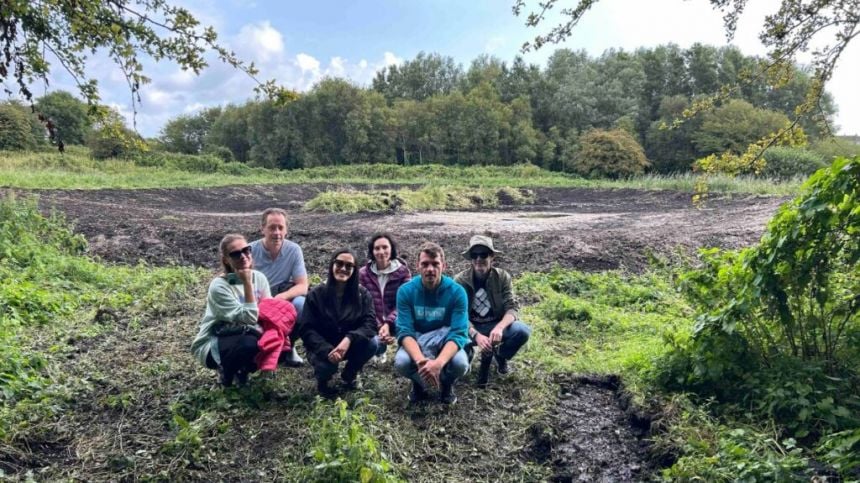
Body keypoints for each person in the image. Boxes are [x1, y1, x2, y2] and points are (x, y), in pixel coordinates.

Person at [394, 242, 470, 404]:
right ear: (417, 266)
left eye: (435, 264)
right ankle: (419, 384)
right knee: (401, 362)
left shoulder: (457, 292)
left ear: (443, 265)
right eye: (425, 264)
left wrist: (438, 363)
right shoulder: (406, 291)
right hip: (418, 340)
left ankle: (446, 384)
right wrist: (422, 362)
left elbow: (458, 332)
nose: (430, 269)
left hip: (445, 339)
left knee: (461, 364)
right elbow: (404, 331)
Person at [191, 233, 271, 387]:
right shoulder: (219, 286)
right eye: (235, 254)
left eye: (246, 250)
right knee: (249, 344)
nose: (243, 256)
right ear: (226, 260)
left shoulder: (259, 278)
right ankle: (227, 372)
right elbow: (250, 318)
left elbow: (268, 313)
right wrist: (247, 284)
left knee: (275, 342)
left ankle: (242, 370)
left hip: (248, 333)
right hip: (215, 341)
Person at [298, 249, 379, 397]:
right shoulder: (315, 294)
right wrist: (326, 349)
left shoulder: (363, 295)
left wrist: (349, 339)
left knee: (373, 343)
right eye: (339, 263)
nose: (343, 268)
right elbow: (306, 328)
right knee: (326, 367)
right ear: (332, 265)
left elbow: (370, 324)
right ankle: (323, 382)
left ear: (354, 270)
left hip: (349, 344)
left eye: (349, 266)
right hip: (322, 346)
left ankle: (350, 374)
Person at [454, 235, 531, 387]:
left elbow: (512, 307)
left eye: (483, 254)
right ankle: (467, 358)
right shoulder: (460, 281)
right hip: (470, 326)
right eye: (474, 255)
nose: (478, 259)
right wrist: (475, 335)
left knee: (522, 331)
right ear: (470, 258)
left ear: (492, 257)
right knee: (454, 346)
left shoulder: (502, 277)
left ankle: (500, 356)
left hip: (495, 323)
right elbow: (458, 314)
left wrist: (499, 328)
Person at [250, 207, 307, 366]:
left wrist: (281, 297)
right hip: (256, 298)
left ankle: (289, 346)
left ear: (286, 229)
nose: (277, 232)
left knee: (302, 305)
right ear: (262, 229)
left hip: (279, 297)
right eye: (272, 227)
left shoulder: (294, 250)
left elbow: (302, 286)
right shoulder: (250, 250)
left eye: (280, 227)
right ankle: (258, 353)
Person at [358, 233, 412, 363]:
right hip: (372, 316)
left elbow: (403, 303)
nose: (381, 251)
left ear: (391, 249)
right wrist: (379, 324)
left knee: (404, 321)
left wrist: (388, 323)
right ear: (372, 251)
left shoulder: (403, 272)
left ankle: (404, 351)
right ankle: (379, 348)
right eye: (377, 248)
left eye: (385, 247)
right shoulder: (363, 273)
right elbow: (363, 303)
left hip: (395, 316)